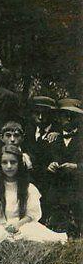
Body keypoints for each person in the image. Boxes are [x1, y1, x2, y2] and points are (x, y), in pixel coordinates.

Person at [0, 145, 66, 243]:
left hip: (21, 224)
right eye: (4, 162)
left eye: (13, 162)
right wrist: (2, 225)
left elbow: (32, 214)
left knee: (30, 231)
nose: (9, 166)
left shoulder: (29, 187)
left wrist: (17, 225)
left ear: (19, 164)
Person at [44, 98, 83, 236]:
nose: (68, 119)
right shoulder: (53, 139)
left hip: (78, 190)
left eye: (72, 116)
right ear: (59, 118)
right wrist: (50, 166)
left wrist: (77, 166)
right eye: (65, 116)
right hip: (57, 192)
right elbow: (42, 162)